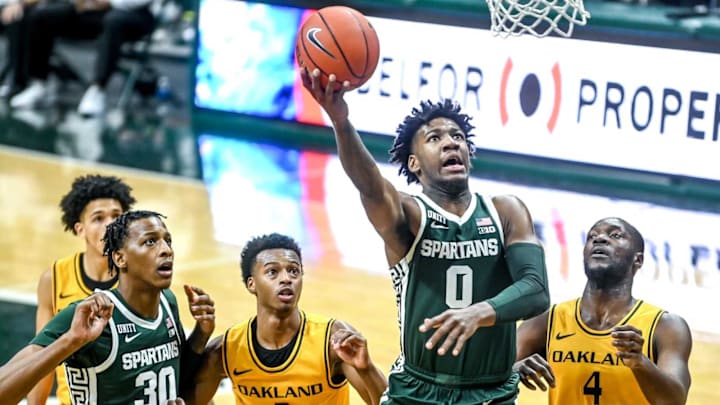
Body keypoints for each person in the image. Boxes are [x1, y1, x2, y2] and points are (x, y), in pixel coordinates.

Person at [301, 69, 550, 404]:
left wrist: (479, 313)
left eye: (458, 137)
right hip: (418, 390)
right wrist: (341, 121)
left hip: (492, 391)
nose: (451, 142)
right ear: (414, 163)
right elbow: (370, 186)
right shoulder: (410, 215)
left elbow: (536, 290)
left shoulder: (505, 211)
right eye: (435, 138)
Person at [0, 209, 216, 404]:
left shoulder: (167, 302)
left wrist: (201, 333)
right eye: (150, 242)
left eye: (168, 240)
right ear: (120, 258)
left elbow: (177, 375)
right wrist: (70, 341)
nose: (166, 250)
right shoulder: (89, 316)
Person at [180, 233, 387, 404]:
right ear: (251, 284)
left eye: (294, 271)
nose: (286, 278)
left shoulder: (332, 341)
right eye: (272, 272)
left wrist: (366, 368)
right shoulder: (227, 350)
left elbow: (389, 403)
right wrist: (202, 332)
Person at [513, 217, 692, 405]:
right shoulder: (548, 320)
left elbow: (674, 400)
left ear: (638, 260)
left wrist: (640, 362)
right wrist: (515, 370)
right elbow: (490, 376)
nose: (600, 239)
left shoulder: (666, 326)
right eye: (592, 236)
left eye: (615, 235)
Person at [28, 173, 136, 405]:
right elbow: (41, 359)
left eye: (116, 216)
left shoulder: (138, 276)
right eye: (98, 218)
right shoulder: (54, 279)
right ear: (80, 229)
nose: (109, 224)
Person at [8, 0, 156, 115]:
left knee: (113, 21)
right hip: (93, 10)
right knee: (41, 17)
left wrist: (109, 2)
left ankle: (98, 89)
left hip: (131, 13)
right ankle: (40, 84)